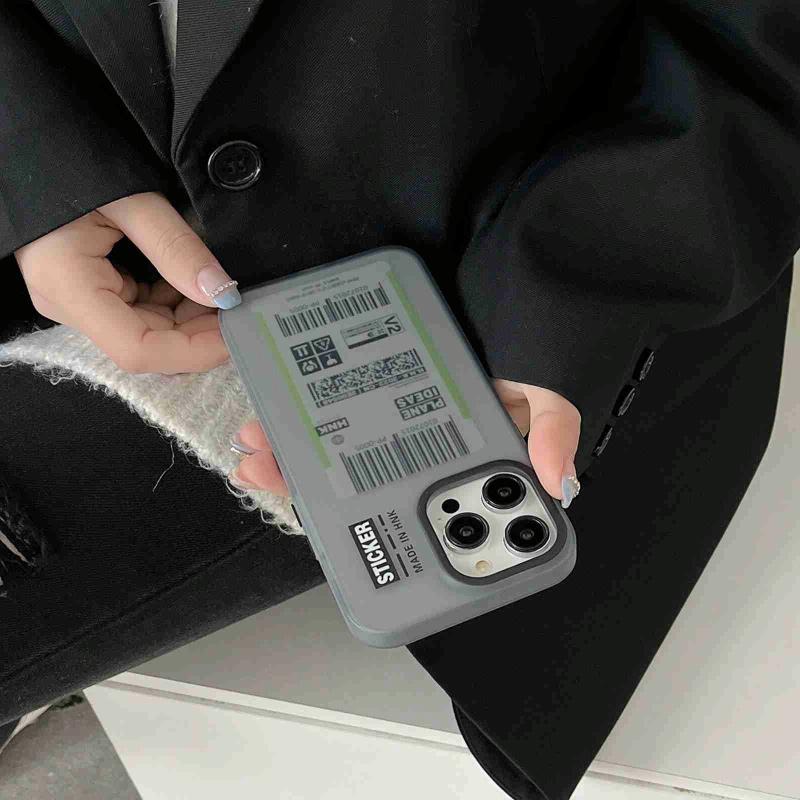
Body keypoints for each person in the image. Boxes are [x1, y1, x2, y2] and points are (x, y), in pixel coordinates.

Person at [1, 1, 798, 797]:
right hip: (91, 200)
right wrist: (36, 175)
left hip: (491, 269)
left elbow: (758, 50)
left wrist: (557, 299)